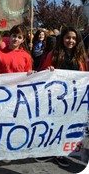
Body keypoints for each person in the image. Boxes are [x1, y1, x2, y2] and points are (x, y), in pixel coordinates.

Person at [38, 26, 88, 167]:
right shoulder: (54, 54)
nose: (70, 40)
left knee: (66, 126)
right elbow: (42, 73)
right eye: (67, 37)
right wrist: (49, 71)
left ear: (77, 40)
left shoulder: (81, 57)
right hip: (55, 98)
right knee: (53, 125)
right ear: (62, 39)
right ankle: (48, 151)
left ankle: (60, 152)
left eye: (73, 38)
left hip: (73, 100)